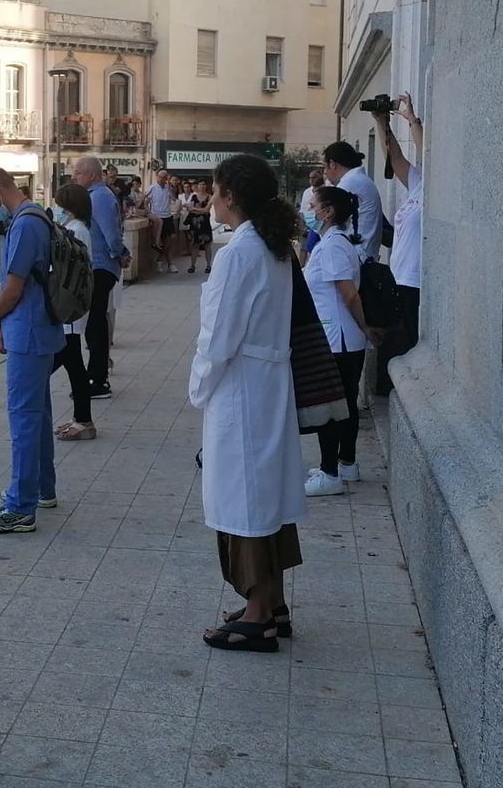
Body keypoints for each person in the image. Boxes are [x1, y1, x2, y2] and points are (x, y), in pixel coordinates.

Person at [190, 154, 305, 652]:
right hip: (269, 380)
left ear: (230, 196)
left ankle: (258, 614)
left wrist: (199, 386)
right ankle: (272, 601)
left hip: (242, 384)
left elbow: (219, 335)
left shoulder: (240, 253)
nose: (210, 199)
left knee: (245, 497)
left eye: (215, 191)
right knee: (267, 491)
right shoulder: (274, 246)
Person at [0, 166, 65, 533]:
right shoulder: (38, 214)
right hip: (42, 329)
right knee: (38, 413)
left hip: (26, 330)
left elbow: (13, 287)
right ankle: (43, 488)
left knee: (24, 418)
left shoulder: (24, 224)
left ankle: (20, 507)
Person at [303, 186, 379, 497]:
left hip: (338, 340)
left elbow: (348, 293)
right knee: (345, 404)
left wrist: (366, 327)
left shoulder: (333, 246)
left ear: (328, 211)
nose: (308, 209)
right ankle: (347, 463)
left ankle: (329, 472)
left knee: (330, 408)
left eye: (313, 205)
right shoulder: (334, 243)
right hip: (343, 338)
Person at [374, 93, 424, 393]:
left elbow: (430, 150)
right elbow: (394, 159)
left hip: (416, 284)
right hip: (399, 279)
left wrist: (413, 121)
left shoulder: (439, 185)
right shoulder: (419, 182)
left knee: (408, 349)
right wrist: (382, 123)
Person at [72, 155, 126, 400]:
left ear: (91, 175)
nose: (74, 177)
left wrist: (119, 253)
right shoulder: (95, 197)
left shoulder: (100, 197)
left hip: (101, 266)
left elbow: (111, 233)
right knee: (94, 323)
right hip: (99, 266)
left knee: (95, 324)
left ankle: (98, 379)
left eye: (78, 173)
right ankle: (96, 375)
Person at [50, 183, 96, 441]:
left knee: (68, 362)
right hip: (74, 309)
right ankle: (82, 418)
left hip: (71, 308)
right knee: (74, 364)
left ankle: (84, 419)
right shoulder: (79, 228)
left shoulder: (75, 230)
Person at [322, 141, 382, 261]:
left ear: (332, 164)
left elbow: (327, 216)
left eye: (325, 166)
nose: (325, 173)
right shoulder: (359, 180)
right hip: (362, 254)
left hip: (357, 256)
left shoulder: (349, 183)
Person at [145, 169, 179, 273]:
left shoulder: (168, 188)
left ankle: (167, 262)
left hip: (167, 216)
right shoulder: (152, 188)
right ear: (157, 177)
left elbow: (173, 199)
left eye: (164, 177)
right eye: (160, 177)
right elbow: (146, 200)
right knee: (158, 243)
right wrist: (149, 212)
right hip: (158, 216)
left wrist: (171, 188)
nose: (162, 179)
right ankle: (162, 262)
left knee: (169, 241)